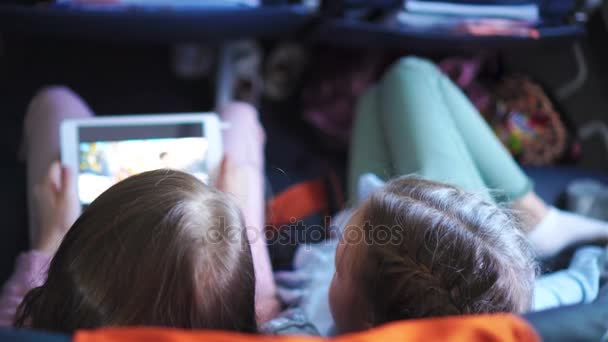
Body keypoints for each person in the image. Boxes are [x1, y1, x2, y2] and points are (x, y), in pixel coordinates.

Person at [263, 57, 608, 336]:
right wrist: (593, 265)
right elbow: (574, 286)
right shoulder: (507, 305)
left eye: (339, 270)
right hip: (399, 241)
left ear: (368, 323)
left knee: (395, 83)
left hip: (363, 255)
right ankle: (538, 221)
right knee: (387, 88)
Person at [0, 87, 280, 331]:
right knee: (240, 113)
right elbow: (266, 309)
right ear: (239, 311)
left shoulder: (33, 328)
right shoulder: (272, 326)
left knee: (55, 100)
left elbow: (11, 318)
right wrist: (241, 218)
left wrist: (52, 237)